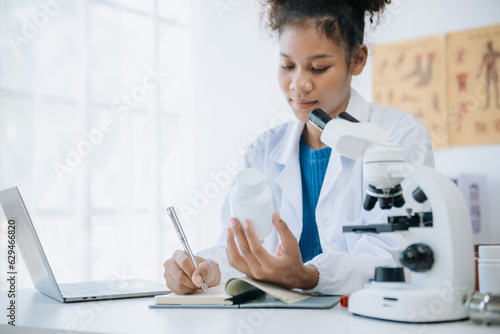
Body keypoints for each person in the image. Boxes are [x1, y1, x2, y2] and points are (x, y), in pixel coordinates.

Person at [163, 0, 434, 295]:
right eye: (287, 66)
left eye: (318, 68)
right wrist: (206, 269)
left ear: (357, 60)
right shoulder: (263, 150)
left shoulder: (399, 135)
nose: (299, 84)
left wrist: (307, 276)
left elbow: (396, 253)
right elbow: (236, 248)